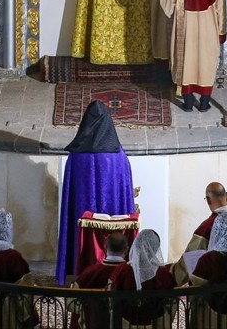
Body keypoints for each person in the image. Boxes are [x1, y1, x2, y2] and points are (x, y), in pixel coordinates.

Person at [57, 101, 136, 284]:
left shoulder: (76, 156)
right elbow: (125, 186)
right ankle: (119, 276)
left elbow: (70, 195)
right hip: (113, 215)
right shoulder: (117, 155)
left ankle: (79, 275)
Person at [160, 0, 226, 112]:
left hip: (185, 29)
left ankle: (188, 103)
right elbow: (221, 8)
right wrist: (221, 31)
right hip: (208, 29)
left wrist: (174, 17)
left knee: (186, 63)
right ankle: (204, 104)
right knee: (206, 63)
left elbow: (166, 4)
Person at [110, 230, 176, 328]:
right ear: (156, 249)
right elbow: (171, 304)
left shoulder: (121, 271)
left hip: (126, 324)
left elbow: (111, 299)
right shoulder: (164, 275)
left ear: (136, 245)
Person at [70, 233, 130, 329]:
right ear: (126, 250)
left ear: (105, 248)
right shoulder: (132, 274)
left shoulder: (88, 273)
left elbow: (72, 304)